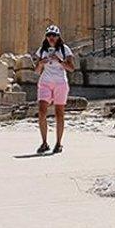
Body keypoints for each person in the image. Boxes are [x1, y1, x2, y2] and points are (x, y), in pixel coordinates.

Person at [33, 25, 75, 154]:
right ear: (46, 37)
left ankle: (58, 143)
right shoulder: (42, 50)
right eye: (49, 35)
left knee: (59, 113)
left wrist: (60, 60)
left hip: (60, 83)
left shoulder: (65, 49)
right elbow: (36, 71)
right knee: (41, 112)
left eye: (54, 35)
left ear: (58, 37)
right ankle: (44, 142)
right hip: (45, 82)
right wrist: (40, 63)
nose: (51, 38)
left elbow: (71, 68)